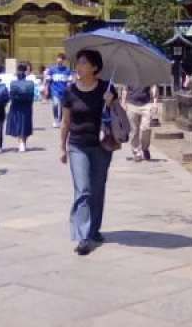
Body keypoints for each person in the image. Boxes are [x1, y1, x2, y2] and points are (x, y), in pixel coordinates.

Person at [59, 49, 119, 256]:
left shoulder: (107, 88)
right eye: (78, 62)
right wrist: (62, 148)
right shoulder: (70, 91)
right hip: (77, 145)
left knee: (97, 188)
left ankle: (94, 229)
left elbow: (118, 117)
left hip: (102, 145)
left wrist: (110, 102)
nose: (79, 66)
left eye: (84, 63)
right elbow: (65, 121)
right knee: (83, 189)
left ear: (94, 67)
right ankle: (83, 236)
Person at [122, 85, 157, 162]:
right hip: (131, 104)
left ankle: (145, 148)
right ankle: (136, 151)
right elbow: (125, 89)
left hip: (146, 104)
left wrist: (155, 102)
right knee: (133, 130)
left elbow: (153, 87)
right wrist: (123, 102)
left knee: (146, 127)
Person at [6, 63, 35, 152]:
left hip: (16, 106)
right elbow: (33, 96)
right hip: (27, 105)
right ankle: (23, 143)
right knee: (25, 123)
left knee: (18, 123)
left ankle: (21, 143)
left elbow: (10, 95)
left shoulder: (13, 83)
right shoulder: (31, 83)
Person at [45, 52, 73, 129]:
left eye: (61, 59)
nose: (59, 60)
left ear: (64, 61)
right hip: (55, 90)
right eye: (58, 58)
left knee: (61, 106)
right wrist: (46, 89)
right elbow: (48, 80)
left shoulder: (67, 70)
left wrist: (69, 88)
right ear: (57, 60)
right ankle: (56, 119)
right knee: (55, 104)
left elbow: (69, 82)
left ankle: (59, 120)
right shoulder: (52, 70)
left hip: (64, 91)